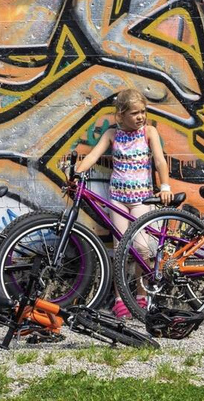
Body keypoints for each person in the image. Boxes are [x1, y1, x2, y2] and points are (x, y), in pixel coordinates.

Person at [75, 88, 173, 318]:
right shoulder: (112, 134)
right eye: (135, 113)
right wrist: (78, 173)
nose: (140, 117)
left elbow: (160, 161)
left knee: (142, 248)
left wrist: (165, 186)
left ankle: (141, 294)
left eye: (143, 112)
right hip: (118, 199)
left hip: (142, 199)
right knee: (120, 249)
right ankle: (119, 299)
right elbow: (93, 156)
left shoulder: (149, 132)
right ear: (121, 115)